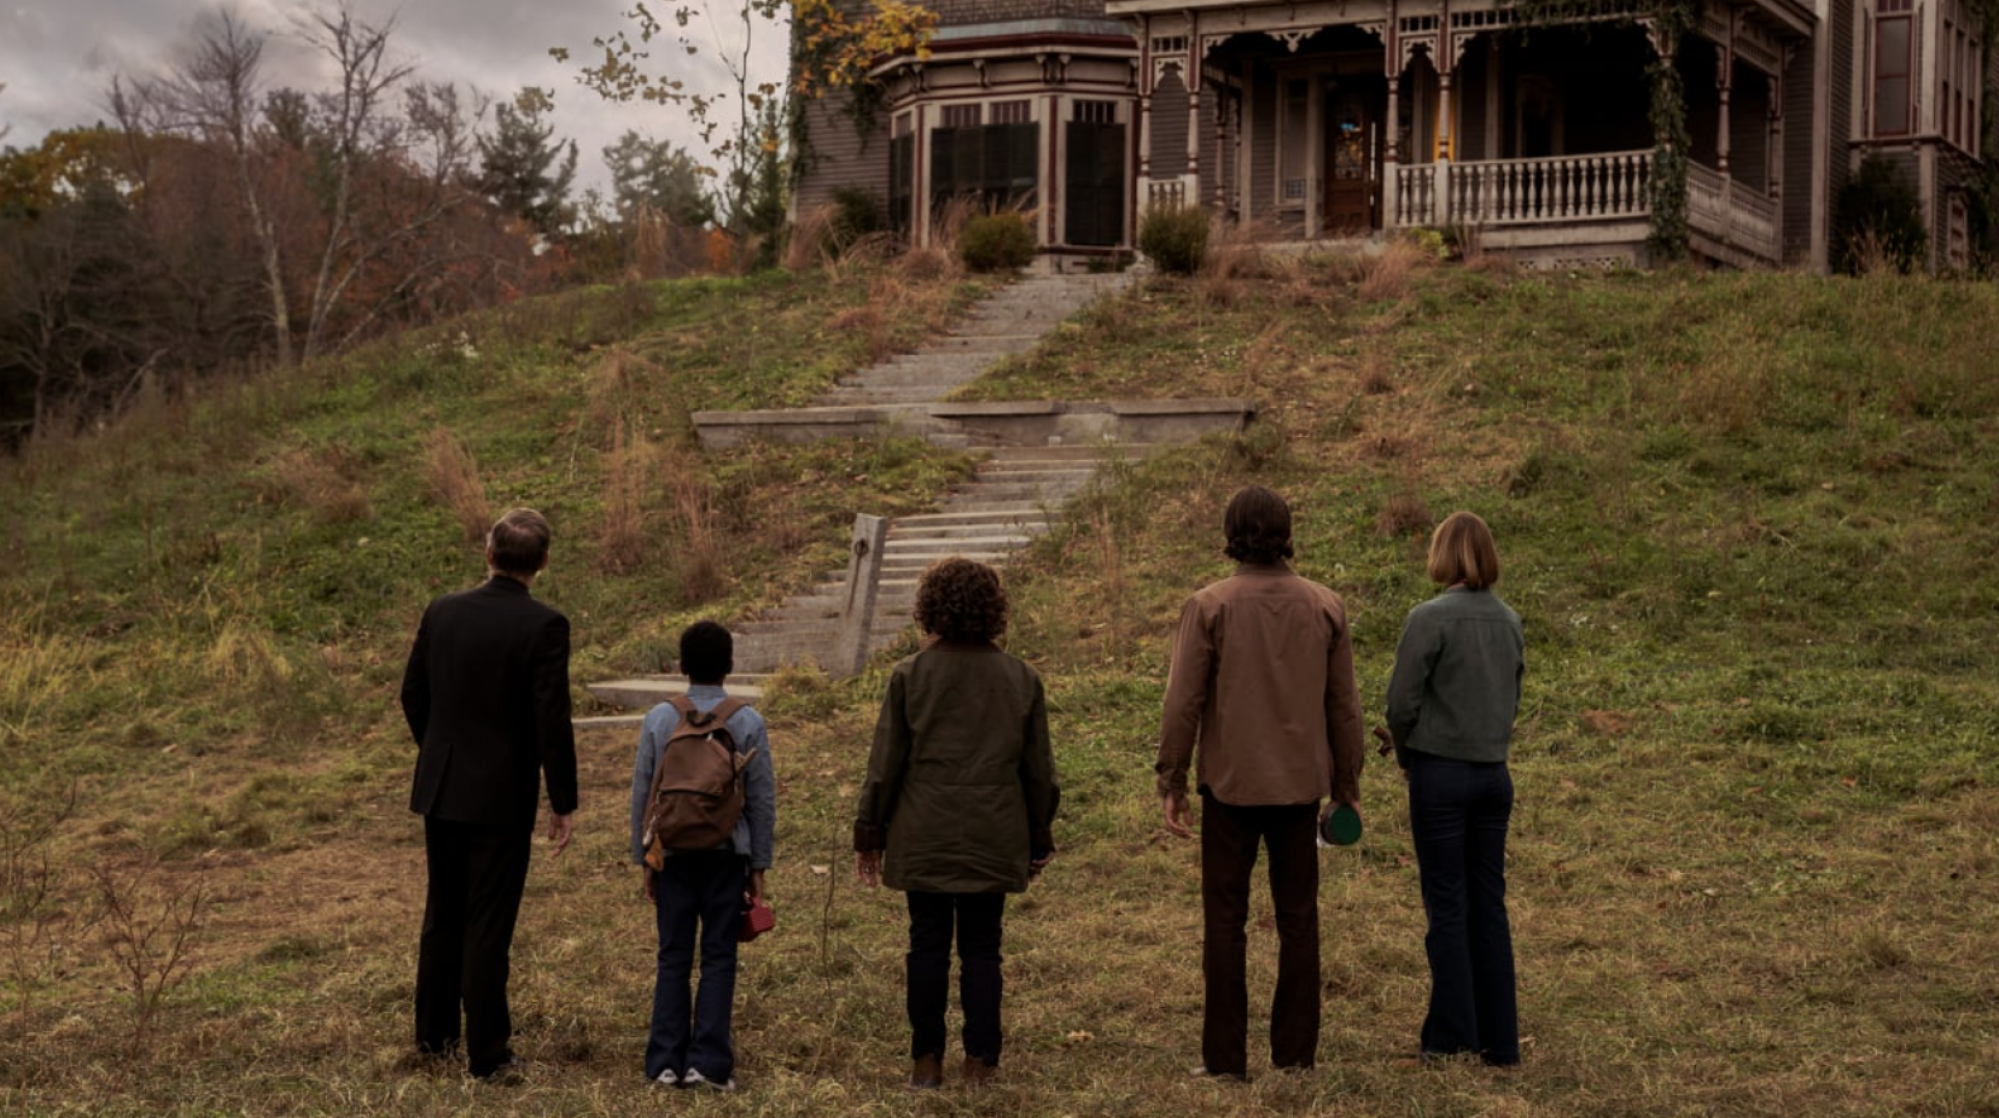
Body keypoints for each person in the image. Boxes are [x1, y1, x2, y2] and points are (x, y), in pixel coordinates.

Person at [1155, 485, 1365, 1080]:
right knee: (1299, 918)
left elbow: (1182, 704)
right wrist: (1346, 782)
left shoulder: (1210, 605)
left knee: (1225, 921)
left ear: (1231, 533)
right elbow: (1343, 706)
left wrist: (1171, 777)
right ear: (1285, 533)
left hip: (1229, 788)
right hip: (1300, 790)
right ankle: (1296, 1054)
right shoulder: (1325, 605)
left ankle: (1225, 1061)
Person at [853, 557, 1059, 1090]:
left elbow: (884, 767)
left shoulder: (908, 677)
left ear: (930, 609)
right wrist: (1039, 836)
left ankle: (926, 1062)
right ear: (994, 609)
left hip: (923, 834)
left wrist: (869, 833)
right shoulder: (1020, 679)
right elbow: (1039, 773)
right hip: (993, 832)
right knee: (983, 948)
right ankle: (980, 1063)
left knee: (925, 945)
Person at [401, 507, 578, 1081]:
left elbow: (413, 693)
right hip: (502, 793)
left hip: (443, 783)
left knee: (442, 912)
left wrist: (437, 751)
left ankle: (433, 1038)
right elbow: (552, 719)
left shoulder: (443, 611)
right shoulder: (544, 626)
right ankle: (489, 1053)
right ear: (543, 562)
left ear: (488, 552)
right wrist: (563, 799)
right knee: (488, 921)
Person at [1383, 510, 1523, 1067]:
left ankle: (1449, 1036)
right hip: (1494, 775)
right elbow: (1512, 694)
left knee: (1446, 904)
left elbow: (1400, 702)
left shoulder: (1429, 618)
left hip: (1440, 774)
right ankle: (1501, 1041)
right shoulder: (1510, 620)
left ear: (1443, 555)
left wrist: (1408, 751)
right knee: (1489, 904)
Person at [628, 621, 774, 1092]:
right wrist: (758, 866)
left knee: (672, 955)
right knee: (718, 955)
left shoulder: (659, 719)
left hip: (671, 854)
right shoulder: (748, 721)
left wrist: (643, 858)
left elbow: (642, 794)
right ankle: (707, 1065)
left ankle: (664, 1064)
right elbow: (761, 799)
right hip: (726, 855)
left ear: (682, 666)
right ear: (730, 665)